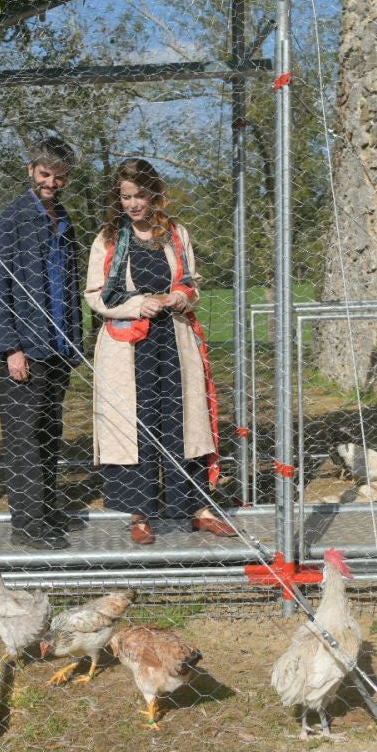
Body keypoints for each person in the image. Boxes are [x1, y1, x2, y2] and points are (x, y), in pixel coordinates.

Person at [84, 158, 235, 545]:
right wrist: (138, 305)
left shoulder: (174, 233)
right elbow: (96, 296)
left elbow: (191, 282)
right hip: (129, 344)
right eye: (125, 197)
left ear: (154, 194)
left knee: (183, 421)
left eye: (139, 196)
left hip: (173, 339)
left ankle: (198, 509)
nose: (132, 204)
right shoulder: (108, 239)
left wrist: (180, 296)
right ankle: (139, 515)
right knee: (136, 424)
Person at [0, 137, 83, 551]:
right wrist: (9, 347)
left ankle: (44, 508)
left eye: (60, 177)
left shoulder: (64, 221)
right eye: (45, 175)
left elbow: (71, 285)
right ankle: (26, 524)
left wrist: (75, 341)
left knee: (48, 433)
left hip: (58, 345)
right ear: (30, 170)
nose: (52, 183)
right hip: (26, 348)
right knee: (24, 437)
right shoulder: (10, 221)